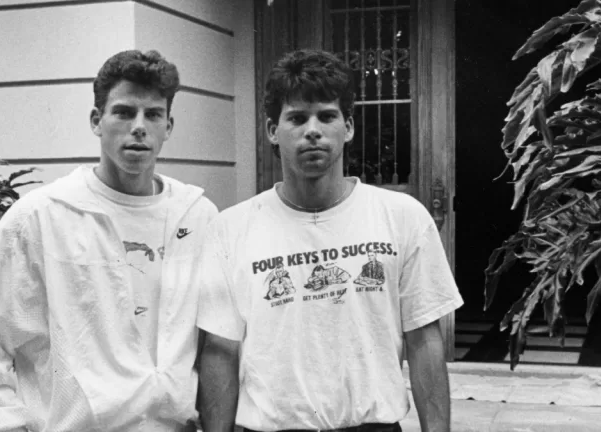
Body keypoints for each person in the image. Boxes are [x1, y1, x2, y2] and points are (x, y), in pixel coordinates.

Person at [0, 50, 218, 432]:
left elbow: (218, 341)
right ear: (96, 120)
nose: (139, 127)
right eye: (124, 112)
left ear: (168, 126)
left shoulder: (196, 216)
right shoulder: (43, 216)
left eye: (153, 115)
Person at [196, 49, 463, 432]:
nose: (313, 130)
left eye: (326, 116)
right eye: (296, 118)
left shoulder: (401, 217)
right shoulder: (231, 229)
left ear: (348, 126)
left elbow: (424, 340)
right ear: (272, 130)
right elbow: (220, 351)